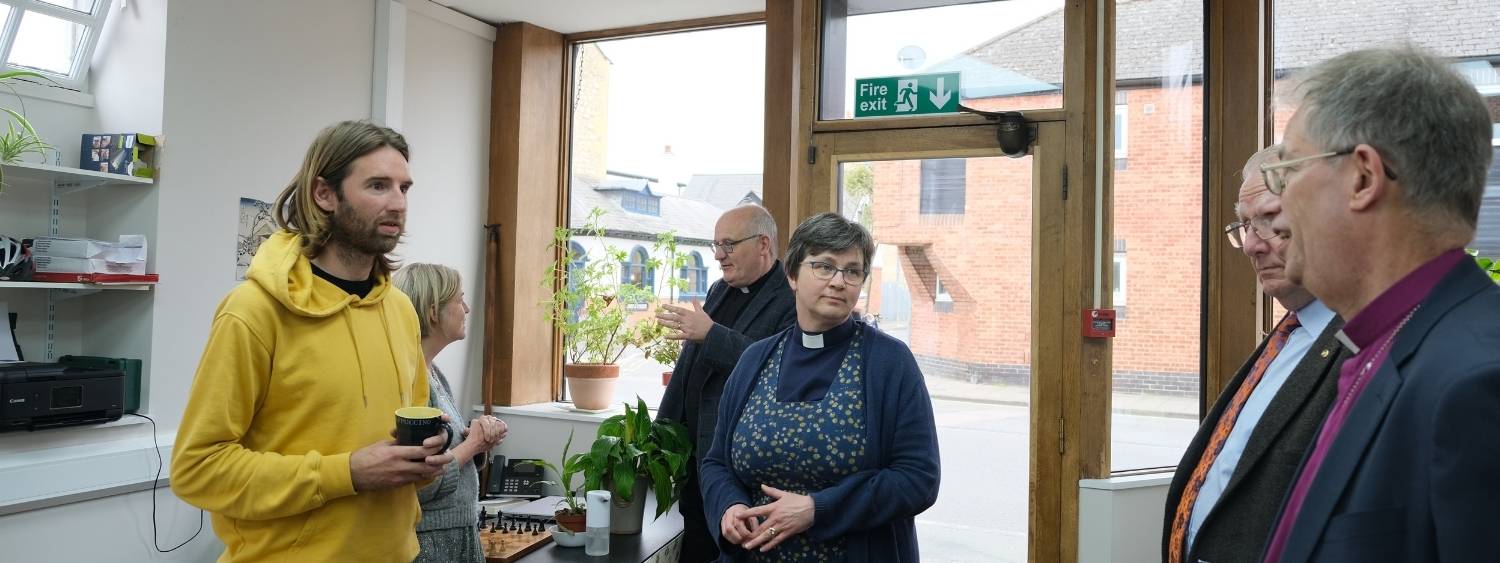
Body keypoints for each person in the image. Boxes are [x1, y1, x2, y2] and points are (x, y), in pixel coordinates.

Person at [1260, 46, 1500, 563]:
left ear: (1363, 177)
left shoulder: (1476, 382)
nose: (1277, 212)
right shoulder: (1382, 348)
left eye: (1288, 173)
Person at [172, 121, 452, 562]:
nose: (398, 204)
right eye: (378, 186)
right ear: (325, 194)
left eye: (404, 188)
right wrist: (347, 472)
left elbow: (407, 446)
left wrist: (424, 459)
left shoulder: (399, 311)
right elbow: (197, 469)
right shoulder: (253, 311)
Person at [699, 212, 940, 561]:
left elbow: (919, 478)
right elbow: (717, 462)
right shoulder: (755, 360)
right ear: (793, 275)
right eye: (824, 266)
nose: (839, 281)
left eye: (852, 271)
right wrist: (729, 507)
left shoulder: (890, 363)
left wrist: (818, 508)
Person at [1161, 146, 1347, 563]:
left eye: (1270, 221)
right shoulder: (1288, 335)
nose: (1250, 246)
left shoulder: (1367, 346)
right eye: (1245, 226)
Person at [656, 203, 796, 562]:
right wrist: (660, 435)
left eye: (729, 245)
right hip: (698, 462)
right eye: (716, 245)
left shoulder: (790, 300)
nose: (719, 256)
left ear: (764, 244)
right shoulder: (720, 289)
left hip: (739, 474)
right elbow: (689, 368)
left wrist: (711, 334)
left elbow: (776, 368)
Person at [393, 263, 509, 563]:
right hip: (432, 544)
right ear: (433, 312)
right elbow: (419, 486)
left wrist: (475, 435)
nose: (467, 308)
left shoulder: (434, 374)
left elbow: (447, 451)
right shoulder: (408, 380)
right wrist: (473, 445)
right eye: (459, 299)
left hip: (455, 534)